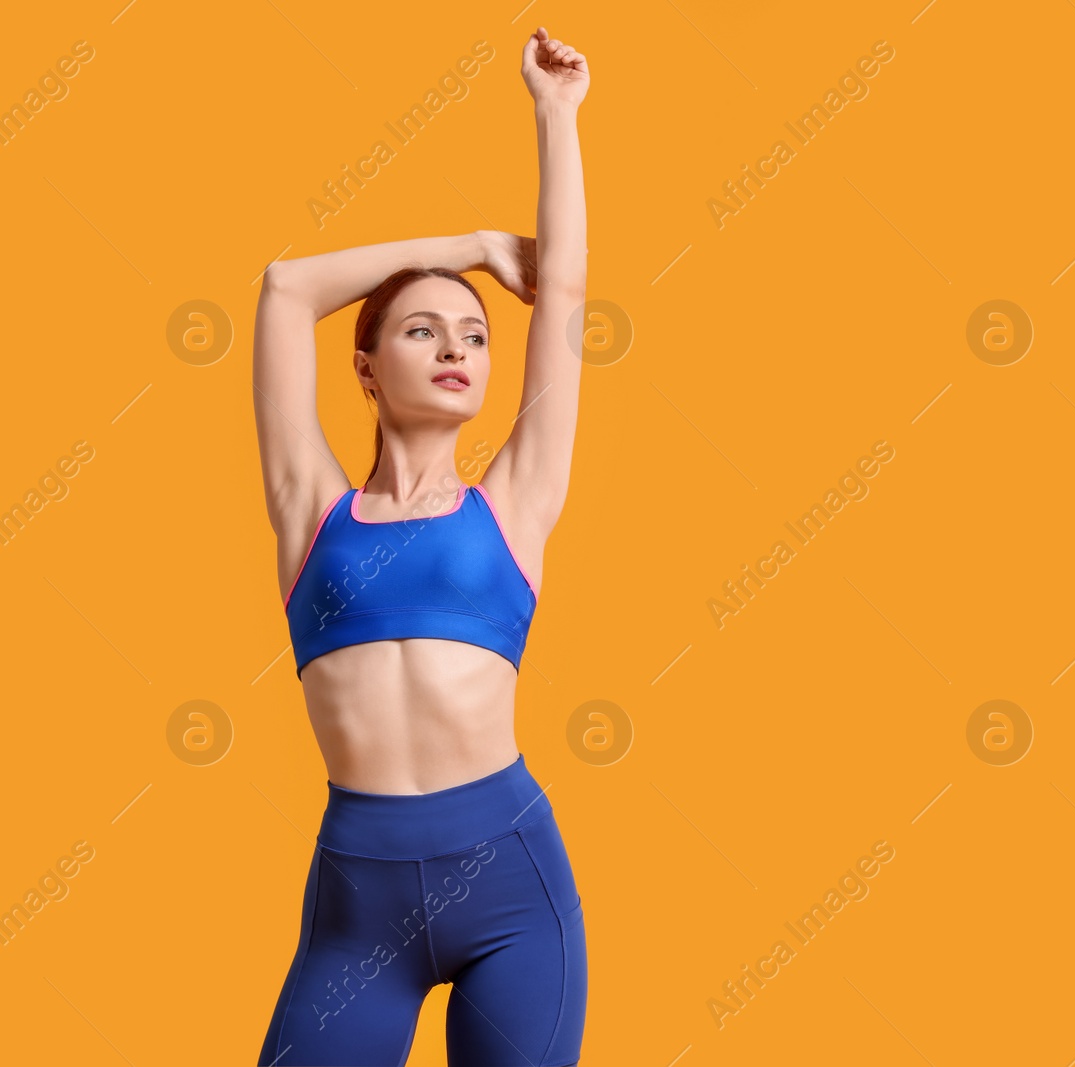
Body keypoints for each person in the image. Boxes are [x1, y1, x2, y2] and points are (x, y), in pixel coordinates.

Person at [253, 28, 591, 1066]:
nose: (457, 347)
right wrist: (472, 249)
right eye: (423, 329)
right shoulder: (311, 508)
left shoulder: (515, 505)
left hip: (512, 894)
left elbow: (567, 298)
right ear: (362, 368)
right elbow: (284, 287)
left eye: (476, 336)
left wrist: (555, 113)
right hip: (358, 904)